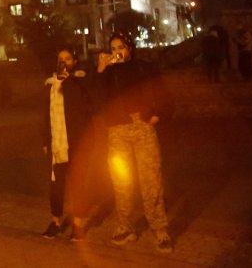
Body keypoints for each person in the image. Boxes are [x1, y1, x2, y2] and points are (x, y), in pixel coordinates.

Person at [96, 34, 173, 254]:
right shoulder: (107, 73)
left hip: (142, 126)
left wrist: (159, 114)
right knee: (122, 179)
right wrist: (101, 70)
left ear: (129, 47)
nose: (117, 51)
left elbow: (161, 92)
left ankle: (159, 229)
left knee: (151, 179)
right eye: (112, 48)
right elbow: (98, 100)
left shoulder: (143, 68)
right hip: (117, 129)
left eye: (121, 47)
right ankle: (125, 225)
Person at [39, 48, 95, 242]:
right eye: (60, 59)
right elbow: (45, 115)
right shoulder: (50, 84)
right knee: (56, 186)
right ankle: (55, 222)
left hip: (77, 141)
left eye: (68, 59)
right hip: (57, 143)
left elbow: (84, 107)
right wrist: (46, 139)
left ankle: (78, 225)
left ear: (75, 61)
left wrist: (69, 80)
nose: (64, 62)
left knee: (78, 183)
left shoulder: (81, 81)